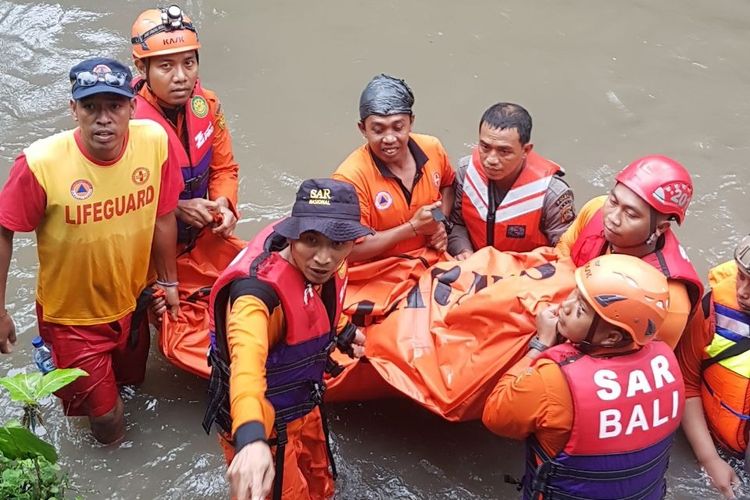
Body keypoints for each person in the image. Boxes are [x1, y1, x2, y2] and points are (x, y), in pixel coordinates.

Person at [0, 57, 182, 444]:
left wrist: (169, 282)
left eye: (114, 106)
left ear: (133, 107)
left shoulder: (155, 142)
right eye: (90, 107)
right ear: (73, 110)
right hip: (72, 318)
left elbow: (164, 216)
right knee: (106, 420)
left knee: (133, 386)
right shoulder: (41, 164)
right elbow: (4, 231)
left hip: (133, 301)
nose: (104, 119)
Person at [202, 179, 372, 500]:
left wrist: (343, 330)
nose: (324, 258)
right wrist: (251, 439)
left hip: (304, 404)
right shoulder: (256, 297)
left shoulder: (326, 263)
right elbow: (246, 365)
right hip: (264, 421)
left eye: (338, 243)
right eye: (311, 240)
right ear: (292, 234)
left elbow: (316, 302)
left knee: (323, 487)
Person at [483, 253, 684, 499]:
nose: (565, 306)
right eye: (575, 293)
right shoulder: (668, 361)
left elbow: (496, 415)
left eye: (580, 309)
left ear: (611, 337)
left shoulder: (552, 379)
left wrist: (540, 345)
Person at [130, 5, 245, 377]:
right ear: (141, 69)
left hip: (198, 235)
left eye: (189, 63)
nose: (181, 77)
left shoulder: (207, 105)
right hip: (145, 247)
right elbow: (117, 205)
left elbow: (224, 168)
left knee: (252, 276)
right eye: (166, 66)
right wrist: (177, 207)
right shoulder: (126, 123)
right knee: (158, 322)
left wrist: (224, 206)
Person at [556, 155, 703, 348]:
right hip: (569, 311)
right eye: (614, 201)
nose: (612, 218)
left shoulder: (669, 297)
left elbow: (643, 357)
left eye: (631, 214)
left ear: (661, 227)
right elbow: (560, 255)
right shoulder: (596, 209)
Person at [332, 74, 455, 263]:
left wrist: (440, 222)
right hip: (376, 273)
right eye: (378, 130)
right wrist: (413, 227)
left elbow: (447, 186)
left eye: (398, 127)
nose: (389, 139)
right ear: (362, 129)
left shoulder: (432, 148)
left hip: (431, 259)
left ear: (411, 122)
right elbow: (347, 250)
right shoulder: (350, 178)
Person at [448, 102, 575, 259]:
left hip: (525, 276)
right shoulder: (466, 171)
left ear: (525, 150)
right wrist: (463, 251)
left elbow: (564, 254)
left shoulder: (552, 194)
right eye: (485, 147)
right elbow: (456, 223)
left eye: (504, 151)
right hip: (473, 265)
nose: (491, 160)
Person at [675, 235, 750, 499]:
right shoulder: (713, 310)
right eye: (741, 276)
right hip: (719, 444)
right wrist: (709, 459)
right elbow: (686, 383)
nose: (742, 292)